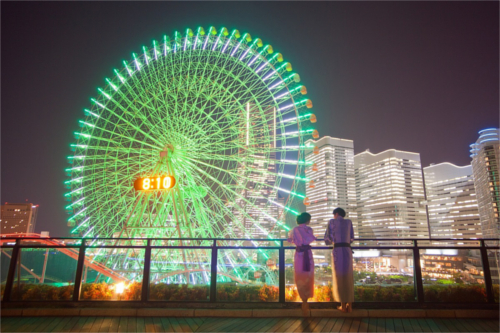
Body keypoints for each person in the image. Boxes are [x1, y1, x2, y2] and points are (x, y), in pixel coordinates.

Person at [324, 207, 354, 313]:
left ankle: (343, 306)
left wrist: (333, 241)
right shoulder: (349, 222)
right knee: (348, 276)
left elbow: (327, 239)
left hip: (337, 251)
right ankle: (350, 306)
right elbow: (352, 238)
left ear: (336, 214)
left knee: (339, 277)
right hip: (347, 250)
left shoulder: (332, 222)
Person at [287, 212, 316, 315]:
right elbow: (311, 238)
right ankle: (307, 299)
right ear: (307, 220)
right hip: (308, 254)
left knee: (299, 275)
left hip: (299, 254)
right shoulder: (309, 230)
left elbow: (290, 239)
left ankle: (303, 300)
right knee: (308, 274)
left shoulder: (294, 230)